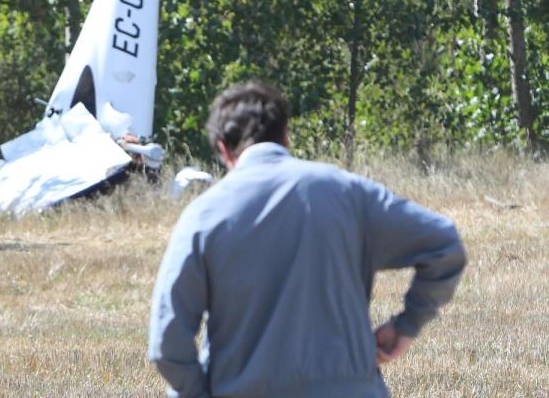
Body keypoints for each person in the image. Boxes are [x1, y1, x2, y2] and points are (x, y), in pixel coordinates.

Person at [148, 82, 467, 398]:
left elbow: (167, 343)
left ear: (222, 148)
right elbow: (445, 244)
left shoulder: (203, 216)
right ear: (285, 136)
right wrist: (405, 326)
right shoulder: (349, 194)